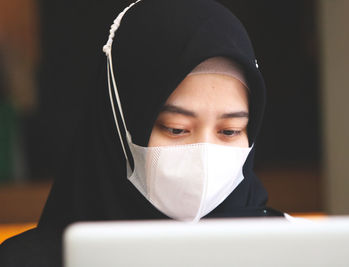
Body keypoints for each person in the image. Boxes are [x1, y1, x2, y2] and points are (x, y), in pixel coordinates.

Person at [0, 0, 284, 266]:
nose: (205, 155)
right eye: (177, 129)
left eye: (230, 131)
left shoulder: (291, 250)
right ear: (119, 122)